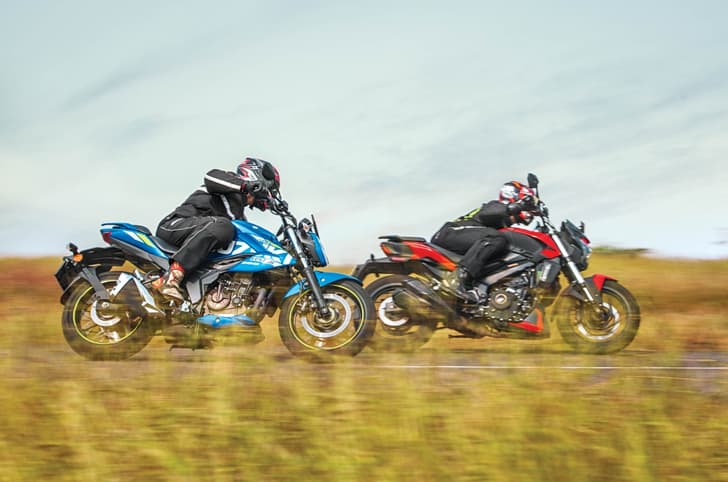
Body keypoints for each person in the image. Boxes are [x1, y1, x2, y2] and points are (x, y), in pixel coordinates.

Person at [152, 157, 280, 300]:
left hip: (198, 238)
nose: (267, 195)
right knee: (223, 226)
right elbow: (211, 176)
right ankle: (172, 277)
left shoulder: (238, 215)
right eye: (269, 189)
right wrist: (245, 185)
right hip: (175, 226)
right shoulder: (227, 182)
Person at [431, 181, 537, 302]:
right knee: (496, 238)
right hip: (451, 232)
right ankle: (457, 279)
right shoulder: (496, 206)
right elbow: (488, 213)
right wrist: (517, 207)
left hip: (461, 238)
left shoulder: (501, 221)